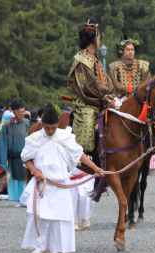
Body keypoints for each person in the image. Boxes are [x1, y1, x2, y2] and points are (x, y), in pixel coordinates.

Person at [21, 104, 104, 253]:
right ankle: (40, 246)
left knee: (58, 217)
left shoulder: (65, 137)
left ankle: (54, 247)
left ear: (57, 124)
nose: (50, 131)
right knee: (40, 215)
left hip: (61, 184)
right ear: (42, 125)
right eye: (47, 128)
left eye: (53, 128)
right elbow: (26, 159)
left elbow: (80, 155)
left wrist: (96, 168)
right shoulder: (35, 138)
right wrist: (35, 171)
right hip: (43, 184)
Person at [67, 17, 114, 155]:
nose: (100, 40)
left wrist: (110, 94)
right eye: (99, 36)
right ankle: (82, 155)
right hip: (87, 102)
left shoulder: (96, 59)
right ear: (93, 39)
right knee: (88, 124)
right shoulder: (81, 60)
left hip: (101, 99)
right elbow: (88, 86)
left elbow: (106, 81)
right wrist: (104, 96)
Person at [0, 101, 29, 206]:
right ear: (14, 112)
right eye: (19, 112)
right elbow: (1, 142)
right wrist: (2, 158)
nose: (22, 114)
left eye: (23, 112)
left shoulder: (27, 123)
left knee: (24, 177)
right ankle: (17, 199)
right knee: (15, 178)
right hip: (13, 156)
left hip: (25, 156)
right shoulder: (7, 125)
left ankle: (25, 198)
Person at [108, 37, 150, 102]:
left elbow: (146, 82)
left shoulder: (143, 65)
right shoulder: (114, 66)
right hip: (120, 99)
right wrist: (127, 91)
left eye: (132, 50)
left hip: (139, 99)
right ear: (122, 51)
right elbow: (115, 85)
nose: (130, 52)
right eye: (128, 50)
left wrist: (137, 91)